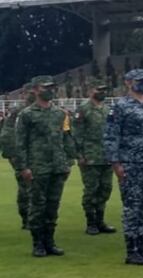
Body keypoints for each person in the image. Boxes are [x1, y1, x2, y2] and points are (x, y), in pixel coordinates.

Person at [104, 69, 143, 265]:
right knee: (132, 207)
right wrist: (115, 163)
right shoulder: (120, 107)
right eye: (140, 81)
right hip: (130, 163)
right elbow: (111, 136)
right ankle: (132, 250)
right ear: (128, 82)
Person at [14, 75, 75, 257]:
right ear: (35, 90)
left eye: (52, 87)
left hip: (57, 167)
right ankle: (37, 243)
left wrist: (68, 163)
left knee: (53, 206)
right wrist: (23, 167)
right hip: (37, 167)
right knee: (37, 206)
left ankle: (50, 241)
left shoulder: (59, 113)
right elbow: (20, 144)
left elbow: (65, 138)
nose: (50, 90)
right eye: (45, 87)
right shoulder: (27, 114)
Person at [72, 79, 116, 235]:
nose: (102, 93)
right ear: (90, 90)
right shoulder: (83, 109)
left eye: (104, 90)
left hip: (106, 156)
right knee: (91, 190)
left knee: (105, 189)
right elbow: (77, 134)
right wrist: (80, 155)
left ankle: (100, 220)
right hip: (90, 157)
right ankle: (91, 222)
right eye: (99, 90)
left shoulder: (107, 109)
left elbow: (113, 132)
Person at [1, 86, 35, 229]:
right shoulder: (18, 112)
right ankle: (27, 218)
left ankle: (40, 219)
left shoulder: (47, 110)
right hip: (23, 156)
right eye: (29, 92)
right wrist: (13, 155)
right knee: (25, 187)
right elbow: (7, 134)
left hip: (42, 156)